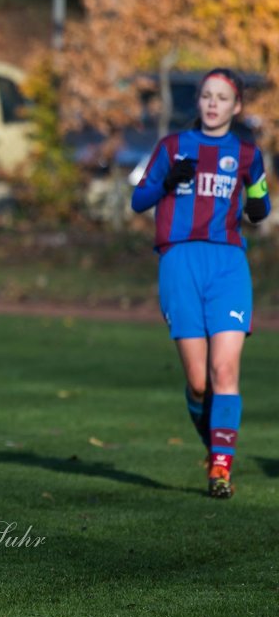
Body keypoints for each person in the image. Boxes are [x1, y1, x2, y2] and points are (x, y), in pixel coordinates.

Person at [130, 67, 269, 499]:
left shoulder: (247, 153)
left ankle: (220, 469)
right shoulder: (173, 146)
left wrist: (257, 205)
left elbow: (259, 205)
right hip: (179, 262)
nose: (212, 104)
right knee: (198, 382)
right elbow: (139, 201)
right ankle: (216, 445)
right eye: (207, 96)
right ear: (199, 102)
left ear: (236, 106)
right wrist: (166, 183)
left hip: (227, 264)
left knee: (224, 370)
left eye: (222, 98)